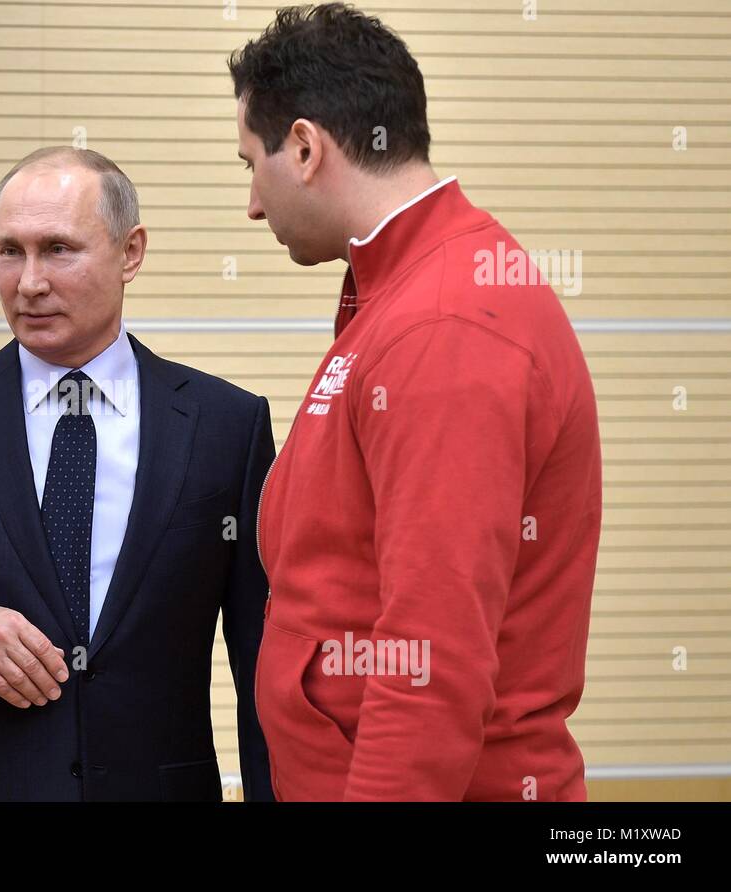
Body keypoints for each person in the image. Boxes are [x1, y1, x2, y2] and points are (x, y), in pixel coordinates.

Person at [231, 4, 602, 800]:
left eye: (248, 165)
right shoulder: (402, 292)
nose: (252, 206)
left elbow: (430, 663)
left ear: (303, 148)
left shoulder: (446, 323)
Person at [0, 147, 274, 801]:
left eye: (58, 249)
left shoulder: (226, 426)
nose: (29, 281)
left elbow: (263, 658)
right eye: (10, 251)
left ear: (131, 252)